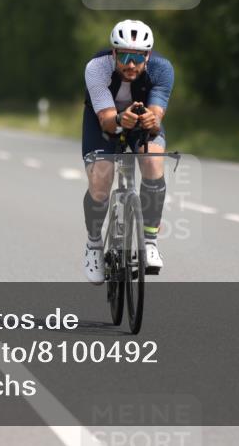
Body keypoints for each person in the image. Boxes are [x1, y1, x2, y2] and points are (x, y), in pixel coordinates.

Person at [80, 20, 173, 284]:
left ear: (148, 56)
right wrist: (121, 119)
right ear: (114, 53)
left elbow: (156, 115)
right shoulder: (97, 67)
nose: (131, 64)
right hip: (104, 121)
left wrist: (152, 121)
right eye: (124, 57)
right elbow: (107, 120)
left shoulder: (162, 69)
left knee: (153, 163)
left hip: (140, 120)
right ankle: (94, 244)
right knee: (101, 179)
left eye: (138, 57)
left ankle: (150, 241)